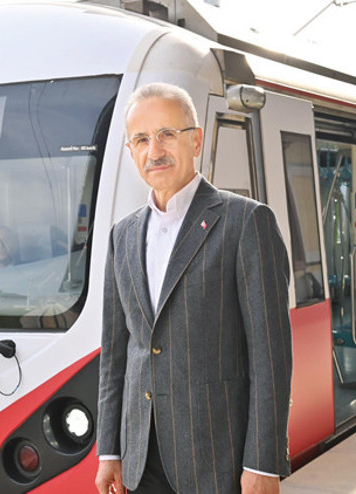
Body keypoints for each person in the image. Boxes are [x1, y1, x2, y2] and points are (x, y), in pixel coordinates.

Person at [95, 82, 293, 494]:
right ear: (131, 152)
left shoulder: (246, 223)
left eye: (168, 134)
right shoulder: (122, 236)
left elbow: (269, 356)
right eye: (142, 139)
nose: (155, 150)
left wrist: (263, 461)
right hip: (140, 461)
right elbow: (116, 354)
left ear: (196, 140)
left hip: (218, 461)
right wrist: (109, 451)